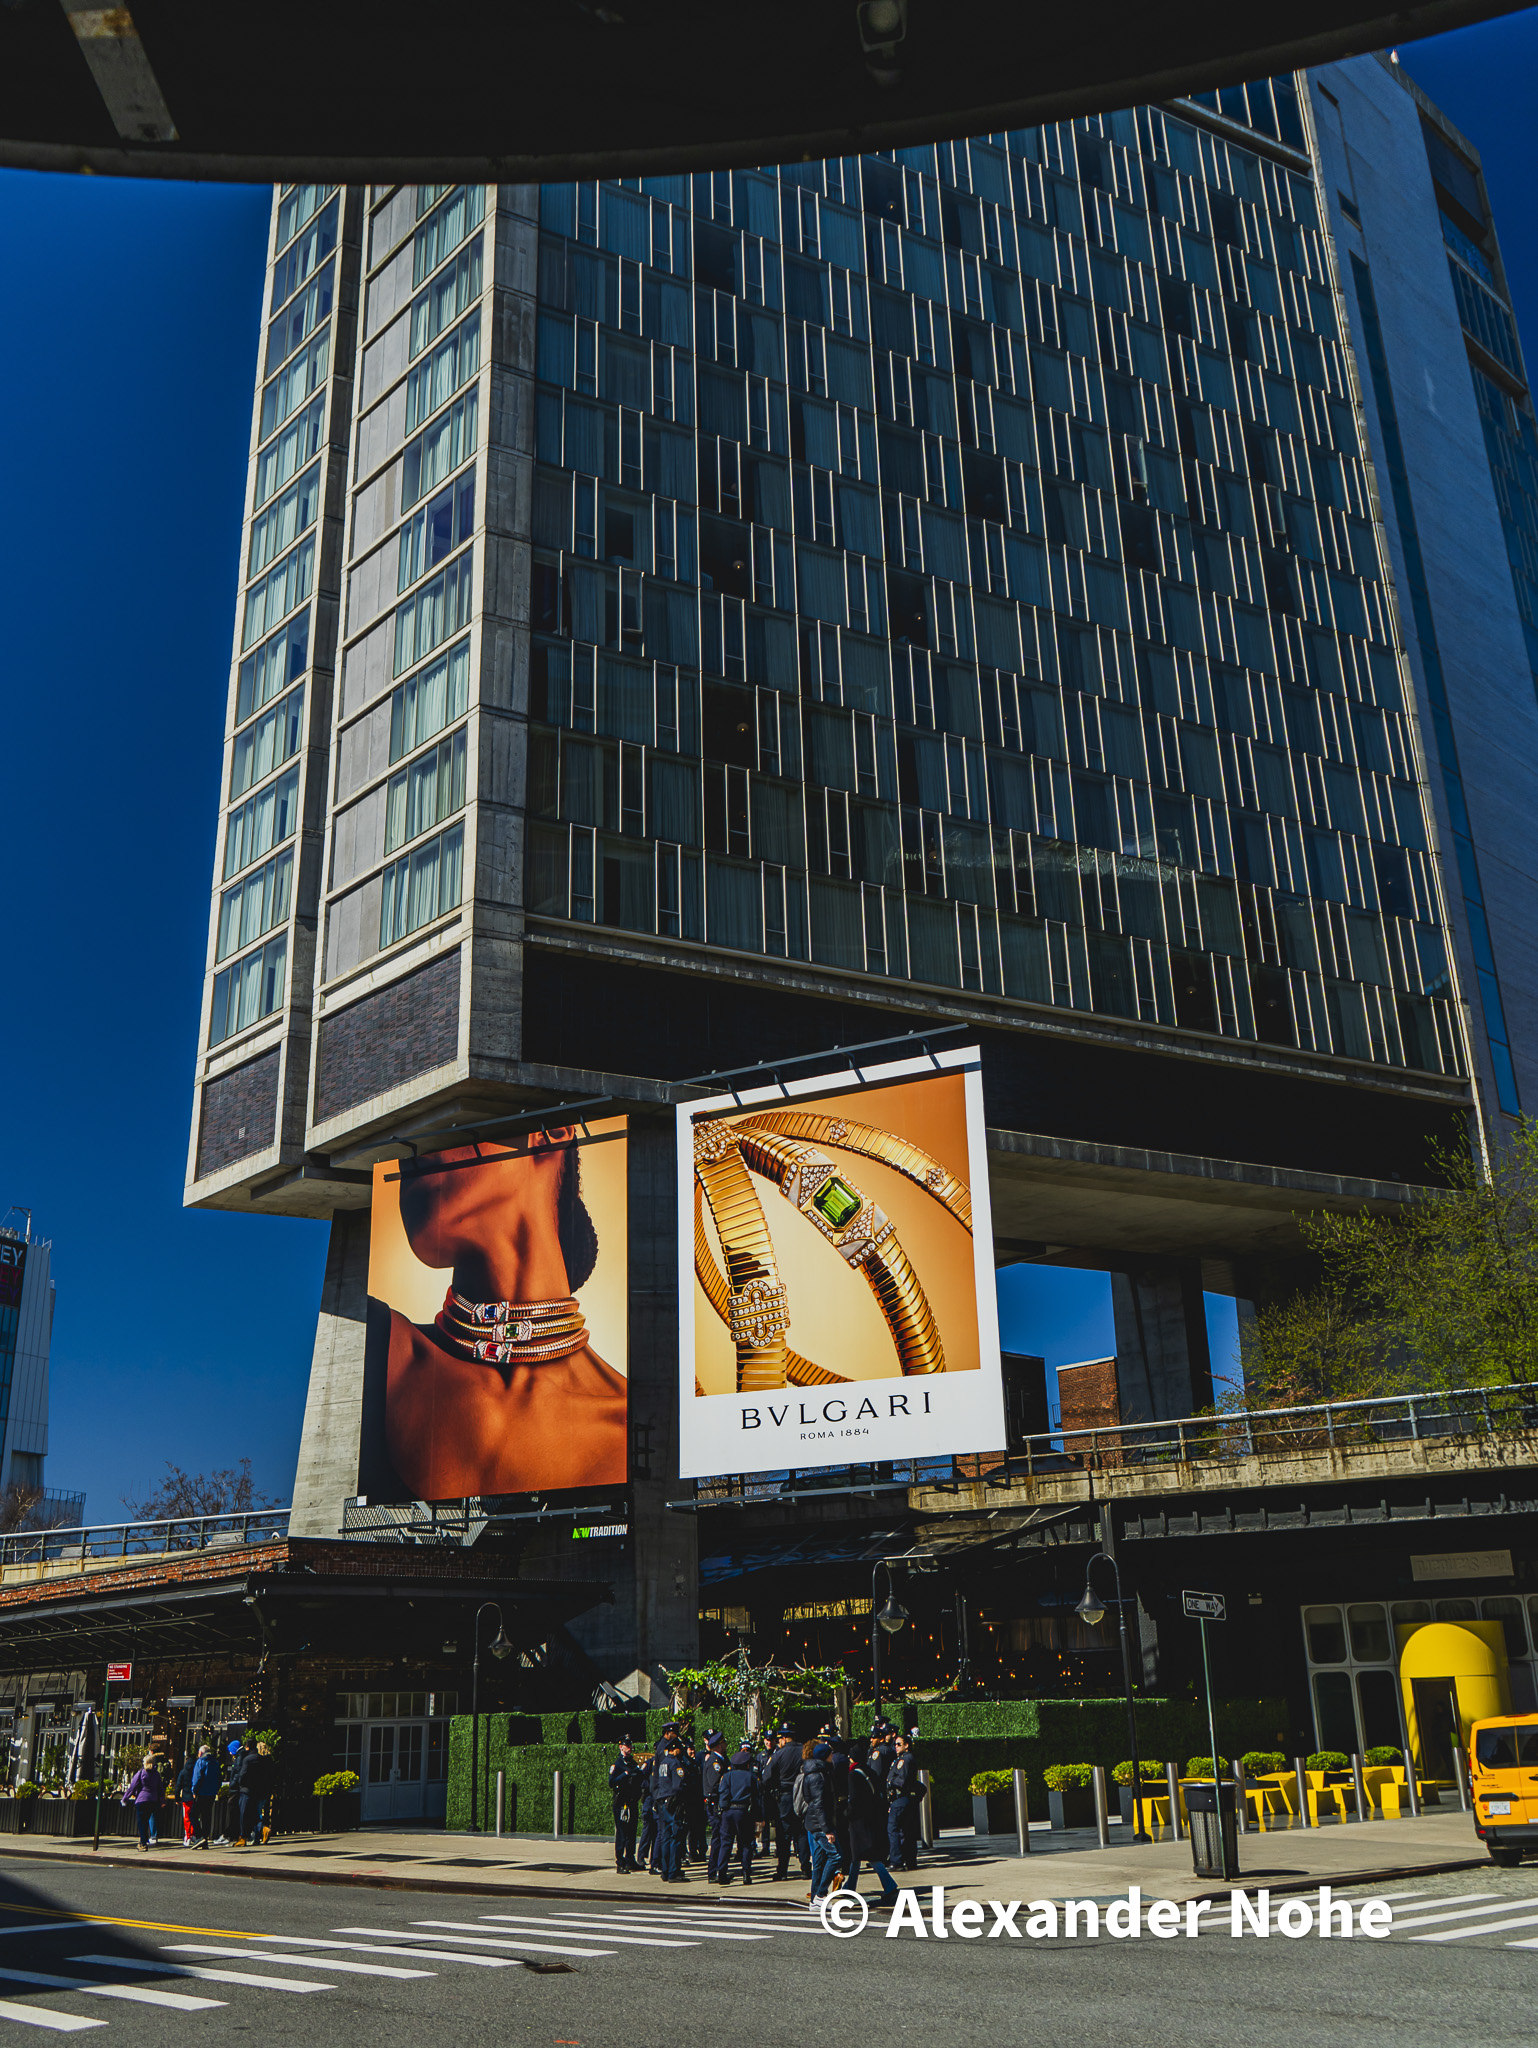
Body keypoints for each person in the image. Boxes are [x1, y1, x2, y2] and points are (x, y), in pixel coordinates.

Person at [373, 1133, 627, 1498]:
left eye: (453, 1105)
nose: (409, 1145)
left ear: (551, 1132)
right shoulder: (367, 1345)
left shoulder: (640, 1429)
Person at [844, 1753, 899, 1908]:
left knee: (868, 1855)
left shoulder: (853, 1775)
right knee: (858, 1856)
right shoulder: (870, 1772)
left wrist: (846, 1813)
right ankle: (850, 1887)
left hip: (858, 1821)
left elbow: (854, 1800)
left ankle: (889, 1885)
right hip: (870, 1818)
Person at [764, 1725, 809, 1882]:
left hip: (784, 1797)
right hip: (802, 1795)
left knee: (783, 1834)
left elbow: (767, 1778)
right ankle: (805, 1867)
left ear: (783, 1738)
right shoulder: (804, 1750)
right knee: (802, 1832)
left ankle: (782, 1870)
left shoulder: (779, 1754)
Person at [800, 1742, 842, 1906]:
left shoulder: (815, 1772)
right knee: (836, 1856)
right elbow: (818, 1805)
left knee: (818, 1862)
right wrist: (827, 1830)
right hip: (819, 1824)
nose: (833, 1757)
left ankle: (815, 1900)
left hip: (814, 1823)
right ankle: (820, 1894)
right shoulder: (818, 1775)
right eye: (830, 1754)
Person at [714, 1744, 760, 1885]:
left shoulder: (727, 1777)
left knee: (726, 1843)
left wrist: (723, 1809)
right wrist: (758, 1817)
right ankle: (746, 1874)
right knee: (746, 1844)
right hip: (744, 1811)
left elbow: (723, 1796)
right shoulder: (751, 1777)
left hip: (729, 1812)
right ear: (747, 1765)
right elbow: (757, 1797)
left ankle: (721, 1873)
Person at [652, 1736, 688, 1882]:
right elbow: (678, 1786)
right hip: (673, 1803)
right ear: (675, 1749)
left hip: (662, 1802)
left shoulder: (663, 1763)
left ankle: (665, 1870)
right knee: (675, 1837)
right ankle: (673, 1871)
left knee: (666, 1837)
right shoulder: (675, 1764)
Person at [609, 1738, 643, 1873]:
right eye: (627, 1745)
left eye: (630, 1745)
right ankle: (620, 1862)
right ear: (620, 1747)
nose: (629, 1747)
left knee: (631, 1832)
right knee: (622, 1833)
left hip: (631, 1801)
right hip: (621, 1802)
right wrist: (624, 1775)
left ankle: (630, 1859)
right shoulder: (617, 1765)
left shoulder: (633, 1763)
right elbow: (611, 1782)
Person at [886, 1732, 919, 1871]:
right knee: (906, 1830)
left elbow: (902, 1780)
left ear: (907, 1745)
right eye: (895, 1744)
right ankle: (910, 1860)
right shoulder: (902, 1758)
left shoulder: (905, 1759)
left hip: (901, 1797)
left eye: (899, 1744)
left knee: (893, 1829)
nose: (896, 1747)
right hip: (904, 1798)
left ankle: (896, 1860)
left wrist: (891, 1781)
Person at [700, 1731, 728, 1884]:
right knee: (718, 1839)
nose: (725, 1745)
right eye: (723, 1743)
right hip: (715, 1804)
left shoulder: (721, 1760)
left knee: (721, 1838)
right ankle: (713, 1871)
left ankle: (718, 1869)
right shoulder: (714, 1762)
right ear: (718, 1746)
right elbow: (714, 1785)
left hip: (718, 1804)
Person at [124, 1752, 164, 1852]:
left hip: (141, 1800)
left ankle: (143, 1843)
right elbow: (160, 1788)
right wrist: (162, 1800)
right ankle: (146, 1839)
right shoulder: (156, 1774)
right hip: (153, 1801)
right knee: (147, 1820)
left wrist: (125, 1798)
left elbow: (132, 1787)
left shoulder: (141, 1773)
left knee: (142, 1822)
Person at [189, 1745, 219, 1849]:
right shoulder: (215, 1763)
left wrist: (194, 1790)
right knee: (206, 1817)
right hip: (211, 1794)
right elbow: (219, 1778)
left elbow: (197, 1777)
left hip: (201, 1793)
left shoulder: (200, 1762)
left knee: (193, 1814)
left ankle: (199, 1836)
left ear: (201, 1753)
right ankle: (205, 1839)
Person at [174, 1753, 198, 1846]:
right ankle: (194, 1835)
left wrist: (177, 1798)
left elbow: (178, 1786)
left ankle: (187, 1836)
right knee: (195, 1817)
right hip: (195, 1797)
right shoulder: (196, 1770)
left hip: (186, 1797)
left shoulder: (183, 1771)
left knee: (187, 1818)